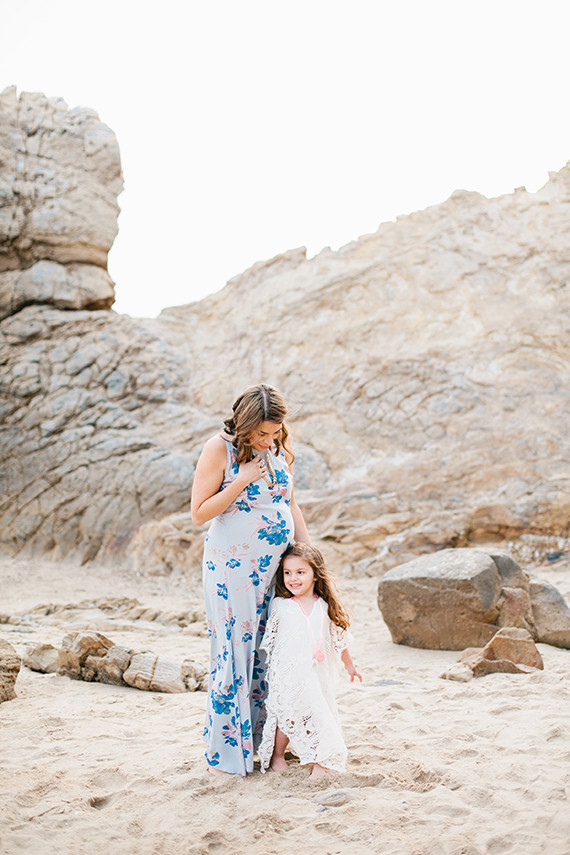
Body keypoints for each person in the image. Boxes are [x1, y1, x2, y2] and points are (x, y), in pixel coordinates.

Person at [191, 384, 310, 775]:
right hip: (233, 571)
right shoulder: (217, 449)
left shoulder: (276, 447)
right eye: (261, 433)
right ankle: (226, 756)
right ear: (243, 425)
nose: (268, 439)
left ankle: (265, 743)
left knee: (270, 652)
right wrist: (240, 479)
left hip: (277, 568)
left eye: (274, 432)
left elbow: (289, 502)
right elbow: (199, 512)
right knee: (236, 653)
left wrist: (309, 556)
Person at [258, 541, 362, 779]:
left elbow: (338, 639)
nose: (293, 578)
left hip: (317, 674)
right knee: (286, 718)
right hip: (290, 674)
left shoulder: (324, 606)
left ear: (315, 575)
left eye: (300, 572)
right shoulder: (279, 606)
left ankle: (320, 761)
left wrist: (350, 666)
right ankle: (277, 756)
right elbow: (271, 642)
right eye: (287, 573)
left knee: (318, 715)